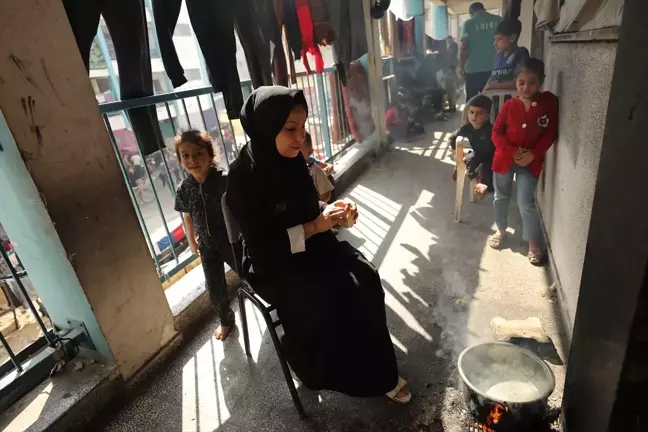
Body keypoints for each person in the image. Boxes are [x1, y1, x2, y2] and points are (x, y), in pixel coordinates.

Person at [226, 86, 411, 403]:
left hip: (312, 242)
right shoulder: (243, 178)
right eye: (290, 129)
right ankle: (312, 364)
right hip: (271, 261)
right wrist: (316, 225)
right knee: (329, 296)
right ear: (266, 127)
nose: (300, 139)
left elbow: (309, 209)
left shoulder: (292, 160)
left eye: (303, 127)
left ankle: (380, 371)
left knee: (365, 277)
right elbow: (263, 245)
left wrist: (333, 213)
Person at [489, 58, 559, 265]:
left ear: (542, 81)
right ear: (515, 82)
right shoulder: (510, 106)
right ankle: (501, 230)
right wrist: (512, 151)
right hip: (504, 160)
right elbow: (496, 132)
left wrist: (533, 154)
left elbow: (550, 133)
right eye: (521, 82)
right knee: (501, 196)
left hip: (530, 162)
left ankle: (533, 243)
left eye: (532, 82)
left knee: (525, 202)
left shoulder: (549, 103)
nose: (526, 87)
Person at [173, 130, 237, 340]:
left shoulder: (225, 181)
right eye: (185, 155)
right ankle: (226, 321)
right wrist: (192, 240)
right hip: (207, 246)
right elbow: (188, 217)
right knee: (215, 288)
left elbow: (239, 209)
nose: (192, 160)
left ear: (210, 155)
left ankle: (269, 301)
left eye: (198, 153)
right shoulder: (184, 189)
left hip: (232, 241)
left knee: (250, 273)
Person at [449, 95, 495, 196]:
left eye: (480, 113)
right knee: (470, 158)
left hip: (488, 157)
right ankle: (476, 183)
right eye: (472, 112)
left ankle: (482, 178)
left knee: (490, 186)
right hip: (473, 155)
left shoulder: (491, 130)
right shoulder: (466, 129)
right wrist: (456, 153)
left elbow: (495, 147)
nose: (474, 116)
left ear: (488, 116)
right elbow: (452, 138)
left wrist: (483, 165)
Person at [459, 2, 502, 100]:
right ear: (483, 9)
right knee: (493, 100)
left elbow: (464, 48)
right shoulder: (498, 20)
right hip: (495, 67)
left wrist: (461, 68)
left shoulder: (469, 23)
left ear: (471, 13)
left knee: (473, 101)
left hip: (473, 69)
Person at [483, 19, 529, 92]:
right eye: (495, 40)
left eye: (499, 39)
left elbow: (521, 83)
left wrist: (492, 86)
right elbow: (492, 79)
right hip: (495, 99)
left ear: (512, 38)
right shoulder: (497, 56)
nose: (495, 43)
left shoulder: (520, 53)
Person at [444, 35, 459, 112]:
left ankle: (452, 106)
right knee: (451, 90)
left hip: (451, 71)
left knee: (451, 90)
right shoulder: (451, 47)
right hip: (450, 71)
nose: (448, 42)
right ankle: (452, 106)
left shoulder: (453, 47)